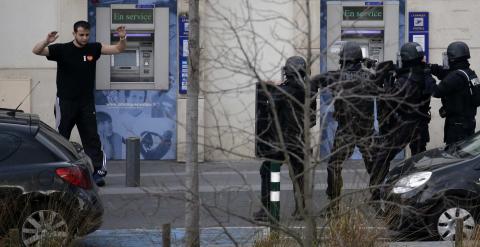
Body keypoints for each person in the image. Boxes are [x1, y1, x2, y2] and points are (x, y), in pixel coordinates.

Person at [32, 20, 127, 186]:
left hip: (86, 103)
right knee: (61, 138)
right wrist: (47, 41)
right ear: (74, 33)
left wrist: (122, 38)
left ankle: (98, 172)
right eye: (81, 34)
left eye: (87, 35)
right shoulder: (61, 49)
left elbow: (118, 49)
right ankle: (59, 172)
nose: (84, 38)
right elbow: (36, 51)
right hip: (65, 103)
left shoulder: (94, 48)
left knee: (91, 137)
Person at [311, 41, 378, 214]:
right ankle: (378, 202)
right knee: (375, 167)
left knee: (334, 166)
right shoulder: (370, 77)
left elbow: (314, 82)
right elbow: (387, 91)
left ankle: (334, 205)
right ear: (359, 59)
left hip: (346, 130)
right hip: (366, 131)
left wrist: (311, 105)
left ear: (343, 60)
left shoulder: (335, 77)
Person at [369, 42, 435, 202]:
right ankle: (421, 196)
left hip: (403, 125)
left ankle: (376, 195)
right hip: (420, 124)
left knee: (382, 159)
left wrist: (382, 80)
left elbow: (389, 98)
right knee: (418, 161)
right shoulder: (425, 75)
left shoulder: (407, 80)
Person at [253, 56, 317, 221]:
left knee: (267, 170)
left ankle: (269, 211)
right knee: (299, 175)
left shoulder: (281, 92)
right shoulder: (310, 92)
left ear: (288, 72)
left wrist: (270, 89)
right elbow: (312, 120)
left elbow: (268, 111)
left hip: (281, 143)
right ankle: (301, 210)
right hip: (300, 142)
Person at [429, 41, 478, 145]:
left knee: (455, 157)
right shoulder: (467, 72)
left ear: (453, 58)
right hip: (468, 122)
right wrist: (431, 68)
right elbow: (446, 73)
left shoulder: (455, 77)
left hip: (457, 127)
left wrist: (427, 77)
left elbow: (436, 92)